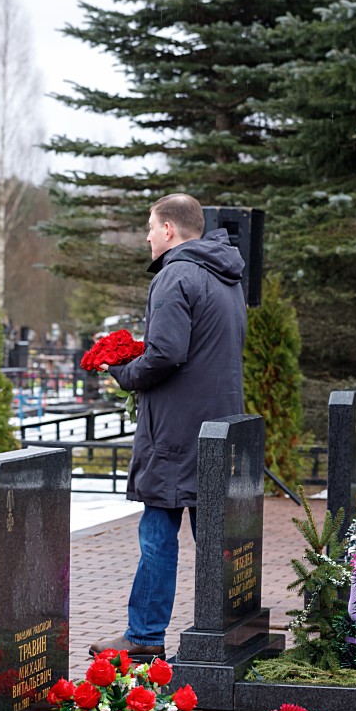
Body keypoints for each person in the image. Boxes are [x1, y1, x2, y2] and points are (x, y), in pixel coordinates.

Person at [88, 193, 247, 658]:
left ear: (170, 231)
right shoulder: (227, 276)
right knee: (214, 536)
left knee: (158, 532)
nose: (147, 235)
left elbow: (167, 354)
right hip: (217, 427)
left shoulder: (175, 274)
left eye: (151, 227)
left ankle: (144, 635)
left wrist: (122, 372)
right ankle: (225, 628)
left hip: (175, 431)